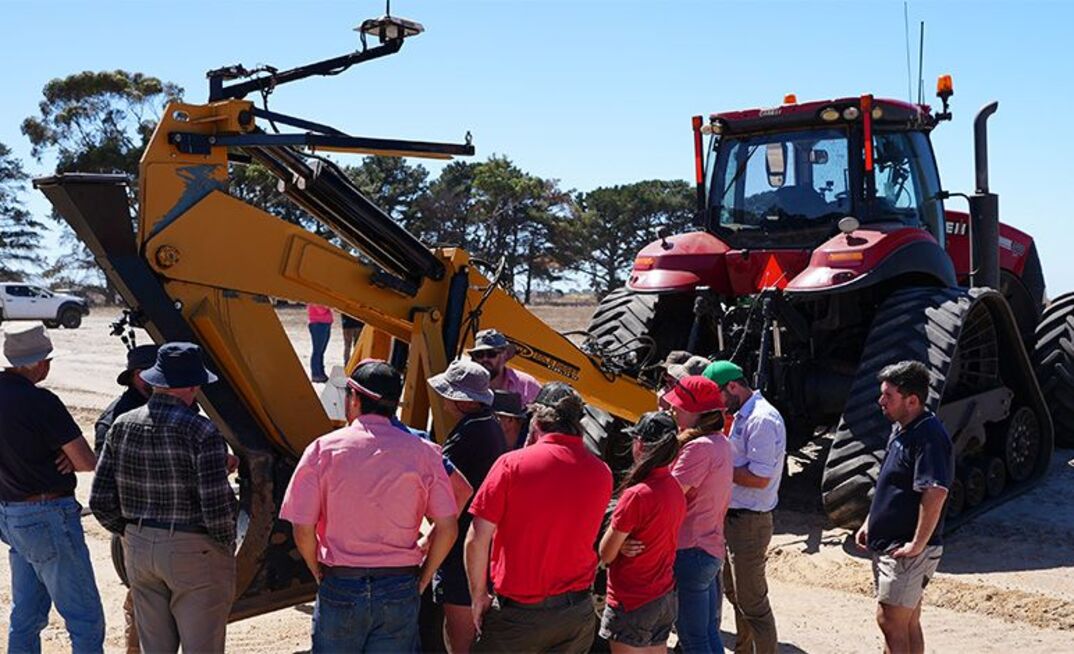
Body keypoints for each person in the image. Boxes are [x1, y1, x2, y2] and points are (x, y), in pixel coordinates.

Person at [281, 359, 459, 653]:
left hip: (341, 581)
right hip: (399, 584)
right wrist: (422, 579)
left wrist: (316, 570)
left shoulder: (322, 449)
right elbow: (448, 528)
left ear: (354, 398)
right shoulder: (425, 453)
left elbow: (303, 529)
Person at [91, 342, 238, 654]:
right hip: (193, 548)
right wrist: (224, 545)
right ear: (193, 385)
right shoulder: (202, 431)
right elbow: (216, 507)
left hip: (139, 545)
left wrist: (130, 531)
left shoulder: (121, 425)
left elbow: (100, 499)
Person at [465, 383, 613, 653]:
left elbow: (476, 539)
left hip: (519, 617)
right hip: (575, 615)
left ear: (536, 419)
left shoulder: (511, 465)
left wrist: (478, 596)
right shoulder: (602, 473)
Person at [0, 323, 105, 653]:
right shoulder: (41, 401)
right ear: (36, 363)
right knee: (85, 619)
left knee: (26, 616)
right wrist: (66, 457)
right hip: (48, 514)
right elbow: (86, 461)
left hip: (11, 515)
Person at [855, 361, 953, 654]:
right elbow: (890, 481)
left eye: (888, 396)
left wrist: (916, 545)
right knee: (907, 623)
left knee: (890, 622)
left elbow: (935, 492)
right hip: (895, 546)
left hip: (904, 551)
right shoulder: (902, 428)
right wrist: (870, 521)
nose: (880, 401)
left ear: (912, 401)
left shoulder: (928, 436)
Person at [704, 360, 785, 654]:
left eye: (718, 396)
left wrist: (717, 466)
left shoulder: (761, 420)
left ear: (733, 387)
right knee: (736, 595)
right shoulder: (742, 415)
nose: (718, 405)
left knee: (753, 604)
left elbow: (760, 479)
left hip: (750, 522)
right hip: (735, 517)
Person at [428, 359, 508, 653]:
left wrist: (432, 536)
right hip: (484, 537)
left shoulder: (467, 435)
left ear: (463, 401)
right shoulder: (491, 426)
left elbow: (454, 491)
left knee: (460, 636)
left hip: (462, 542)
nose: (444, 399)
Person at [598, 411, 686, 654]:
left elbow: (605, 553)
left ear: (639, 444)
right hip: (663, 596)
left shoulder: (636, 496)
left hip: (632, 600)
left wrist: (620, 544)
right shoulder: (674, 488)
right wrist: (623, 544)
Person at [659, 375, 733, 653]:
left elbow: (669, 496)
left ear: (697, 412)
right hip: (707, 548)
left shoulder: (698, 448)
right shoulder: (719, 442)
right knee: (706, 633)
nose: (673, 409)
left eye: (679, 405)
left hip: (690, 549)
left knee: (693, 639)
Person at [93, 343, 158, 654]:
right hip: (138, 525)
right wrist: (126, 528)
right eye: (147, 373)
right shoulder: (116, 419)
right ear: (134, 376)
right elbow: (105, 489)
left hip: (167, 524)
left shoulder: (174, 404)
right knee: (143, 599)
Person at [467, 329, 541, 404]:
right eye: (479, 354)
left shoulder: (527, 385)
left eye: (491, 354)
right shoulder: (465, 384)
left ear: (504, 355)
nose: (485, 359)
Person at [308, 303, 333, 383]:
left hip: (325, 323)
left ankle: (321, 373)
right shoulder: (313, 299)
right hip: (318, 323)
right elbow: (321, 310)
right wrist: (328, 306)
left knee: (321, 351)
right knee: (317, 351)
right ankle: (316, 374)